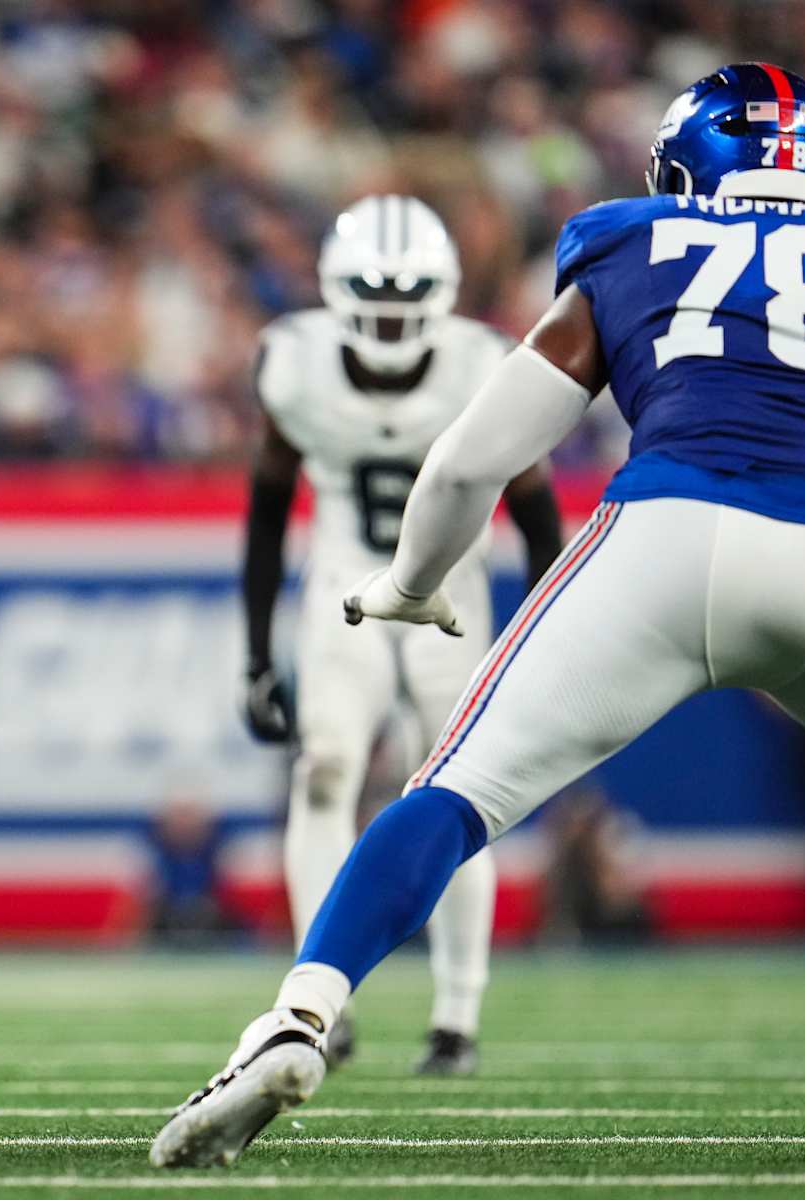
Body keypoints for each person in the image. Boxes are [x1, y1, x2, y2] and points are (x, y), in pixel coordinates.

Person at [153, 63, 805, 1167]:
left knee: (450, 795)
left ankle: (296, 1019)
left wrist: (409, 583)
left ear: (687, 172)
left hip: (667, 538)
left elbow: (467, 464)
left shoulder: (631, 240)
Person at [240, 194, 563, 1076]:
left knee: (458, 793)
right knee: (325, 771)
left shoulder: (483, 365)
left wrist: (545, 637)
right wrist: (258, 652)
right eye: (372, 300)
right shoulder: (293, 362)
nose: (388, 319)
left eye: (404, 300)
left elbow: (537, 513)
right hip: (344, 586)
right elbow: (267, 510)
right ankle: (318, 1003)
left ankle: (455, 1017)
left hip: (449, 598)